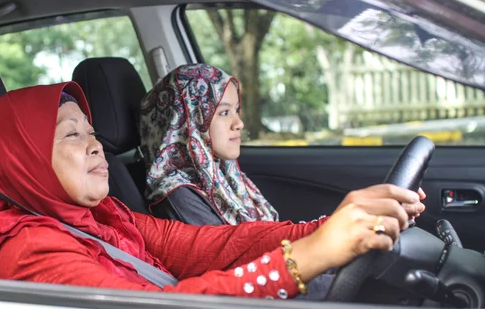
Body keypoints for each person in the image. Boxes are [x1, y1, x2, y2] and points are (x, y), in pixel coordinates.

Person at [0, 81, 423, 300]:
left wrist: (329, 226)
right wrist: (309, 257)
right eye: (71, 135)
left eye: (92, 130)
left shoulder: (100, 218)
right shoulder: (30, 252)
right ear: (23, 160)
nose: (96, 144)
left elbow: (209, 244)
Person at [139, 63, 426, 226]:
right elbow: (244, 255)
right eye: (223, 112)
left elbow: (269, 236)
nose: (239, 123)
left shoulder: (222, 176)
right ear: (187, 122)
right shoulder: (179, 195)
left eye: (236, 111)